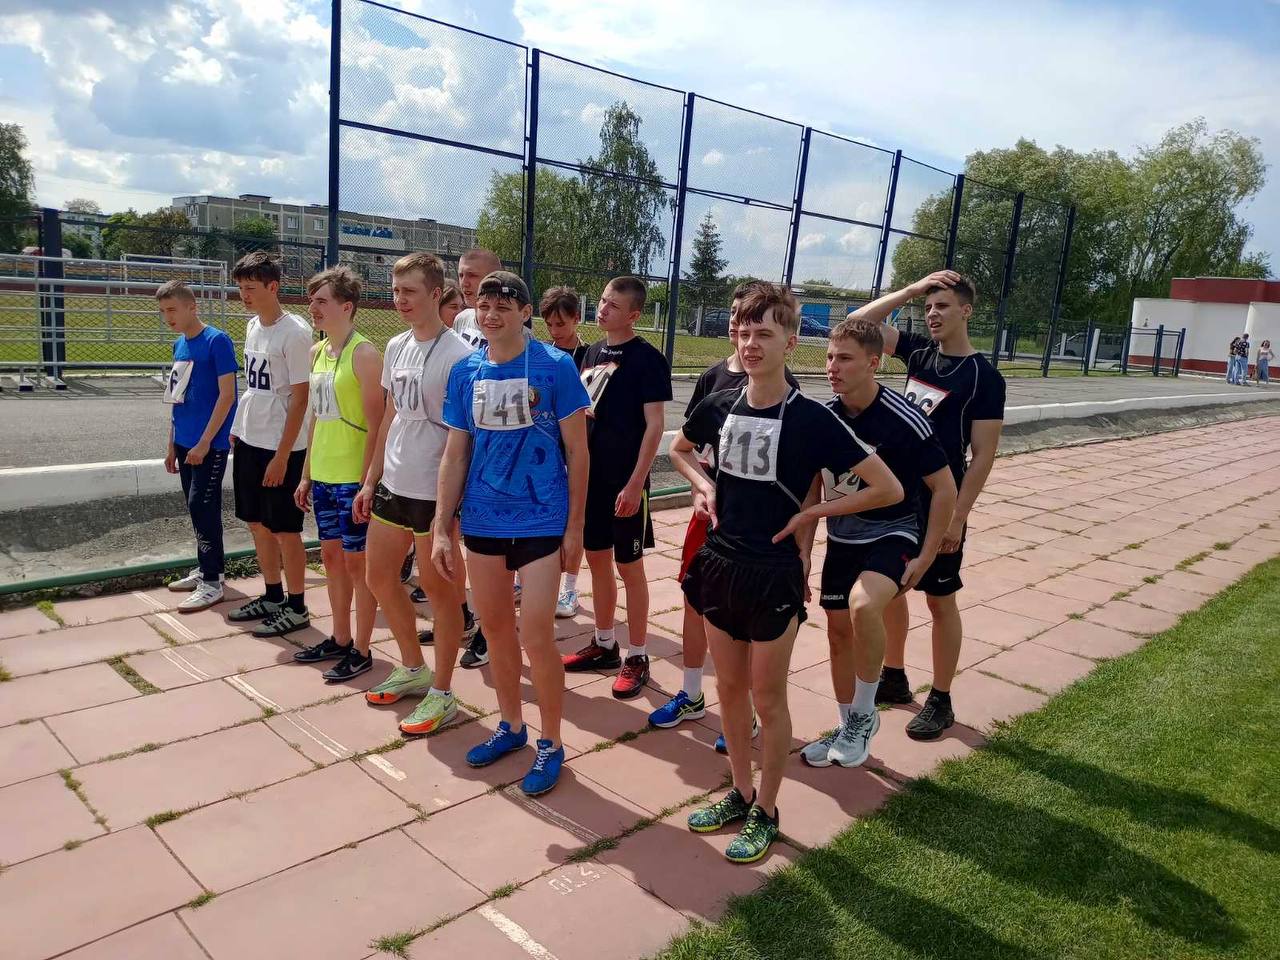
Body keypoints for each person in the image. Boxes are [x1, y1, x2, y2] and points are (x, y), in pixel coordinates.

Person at [671, 282, 902, 863]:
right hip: (720, 563)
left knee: (767, 698)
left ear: (791, 342)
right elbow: (679, 448)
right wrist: (702, 487)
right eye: (744, 333)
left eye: (765, 334)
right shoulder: (720, 403)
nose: (751, 344)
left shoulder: (811, 418)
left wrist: (813, 512)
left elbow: (887, 487)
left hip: (773, 572)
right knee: (728, 690)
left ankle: (767, 810)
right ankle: (739, 791)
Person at [432, 271, 590, 796]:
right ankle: (511, 725)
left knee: (536, 635)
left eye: (504, 305)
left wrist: (575, 527)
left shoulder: (555, 366)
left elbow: (578, 451)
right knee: (496, 629)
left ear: (525, 313)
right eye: (484, 305)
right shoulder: (465, 372)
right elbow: (456, 453)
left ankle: (552, 741)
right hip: (483, 520)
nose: (492, 314)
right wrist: (441, 525)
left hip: (542, 519)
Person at [850, 270, 1006, 740]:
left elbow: (983, 455)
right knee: (891, 588)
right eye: (929, 307)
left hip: (942, 501)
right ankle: (894, 675)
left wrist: (958, 517)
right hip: (898, 495)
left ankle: (941, 697)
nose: (933, 314)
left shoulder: (984, 377)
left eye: (942, 306)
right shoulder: (918, 352)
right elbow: (858, 324)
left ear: (966, 311)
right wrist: (912, 290)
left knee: (940, 600)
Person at [647, 281, 799, 754]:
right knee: (695, 600)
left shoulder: (784, 389)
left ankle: (745, 710)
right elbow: (690, 446)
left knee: (747, 618)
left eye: (755, 325)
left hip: (757, 533)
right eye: (736, 319)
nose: (740, 328)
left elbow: (801, 474)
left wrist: (805, 544)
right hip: (711, 515)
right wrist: (700, 487)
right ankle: (692, 693)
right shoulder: (713, 378)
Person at [800, 316, 956, 769]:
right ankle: (847, 724)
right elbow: (812, 488)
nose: (833, 367)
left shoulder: (905, 419)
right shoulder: (824, 418)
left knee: (864, 606)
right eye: (830, 357)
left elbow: (944, 487)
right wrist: (804, 554)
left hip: (895, 530)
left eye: (845, 359)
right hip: (842, 536)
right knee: (836, 632)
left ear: (873, 363)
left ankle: (865, 715)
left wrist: (927, 555)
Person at [355, 252, 474, 736]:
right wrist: (370, 479)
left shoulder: (459, 356)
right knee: (379, 576)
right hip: (394, 482)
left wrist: (450, 509)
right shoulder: (396, 345)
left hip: (433, 490)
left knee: (441, 594)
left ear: (435, 294)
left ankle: (443, 693)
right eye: (395, 290)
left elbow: (465, 438)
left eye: (409, 291)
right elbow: (389, 416)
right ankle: (413, 667)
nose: (399, 299)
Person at [561, 277, 672, 699]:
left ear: (634, 314)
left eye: (613, 305)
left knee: (630, 568)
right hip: (591, 479)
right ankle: (605, 643)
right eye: (602, 301)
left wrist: (636, 481)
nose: (603, 309)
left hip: (625, 483)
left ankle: (638, 655)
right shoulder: (591, 352)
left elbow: (655, 426)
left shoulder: (648, 359)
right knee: (597, 561)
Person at [290, 267, 385, 681]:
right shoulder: (317, 352)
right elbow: (316, 417)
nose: (313, 307)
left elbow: (378, 423)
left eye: (322, 301)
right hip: (325, 474)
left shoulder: (364, 355)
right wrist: (306, 474)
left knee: (357, 564)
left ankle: (362, 649)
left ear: (346, 307)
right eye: (311, 300)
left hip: (352, 477)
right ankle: (340, 637)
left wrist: (367, 482)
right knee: (331, 559)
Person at [226, 252, 314, 637]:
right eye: (241, 288)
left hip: (281, 445)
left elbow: (300, 398)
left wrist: (282, 455)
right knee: (256, 523)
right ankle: (272, 594)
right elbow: (254, 385)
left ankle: (297, 605)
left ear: (273, 286)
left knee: (284, 528)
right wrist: (238, 426)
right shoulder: (252, 327)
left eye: (251, 288)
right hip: (251, 436)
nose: (244, 295)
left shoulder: (295, 333)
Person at [158, 281, 238, 613]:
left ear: (192, 307)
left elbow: (228, 395)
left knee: (203, 506)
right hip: (185, 441)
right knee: (195, 509)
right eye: (163, 312)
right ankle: (206, 568)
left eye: (172, 310)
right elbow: (176, 397)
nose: (168, 317)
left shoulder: (217, 341)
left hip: (210, 444)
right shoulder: (179, 344)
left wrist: (206, 442)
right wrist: (172, 443)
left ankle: (212, 581)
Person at [538, 285, 590, 618]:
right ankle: (527, 579)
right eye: (549, 325)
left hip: (576, 449)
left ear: (576, 318)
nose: (555, 331)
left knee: (573, 521)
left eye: (561, 324)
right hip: (546, 453)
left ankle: (569, 588)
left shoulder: (590, 357)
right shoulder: (544, 355)